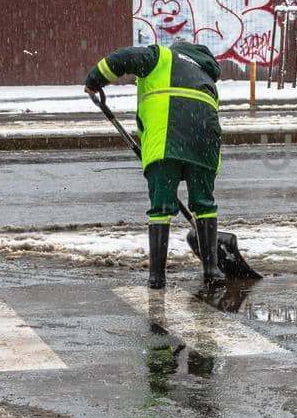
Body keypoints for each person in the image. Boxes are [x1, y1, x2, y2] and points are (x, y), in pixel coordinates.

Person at [85, 40, 224, 289]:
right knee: (203, 203)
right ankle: (212, 269)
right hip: (205, 143)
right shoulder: (205, 73)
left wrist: (95, 80)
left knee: (161, 206)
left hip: (166, 141)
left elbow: (122, 57)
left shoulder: (161, 56)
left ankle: (157, 276)